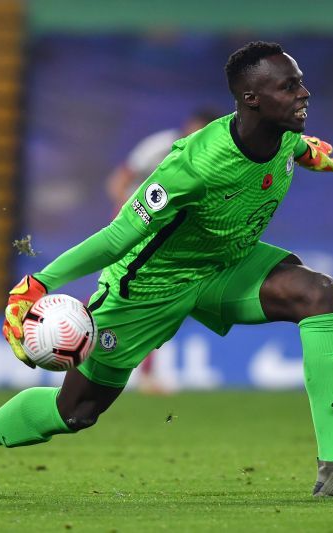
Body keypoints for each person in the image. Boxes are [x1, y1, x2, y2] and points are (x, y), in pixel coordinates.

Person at [0, 41, 333, 499]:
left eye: (300, 80)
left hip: (224, 266)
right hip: (149, 288)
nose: (303, 91)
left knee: (317, 293)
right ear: (251, 99)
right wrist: (38, 282)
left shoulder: (285, 134)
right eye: (288, 86)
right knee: (76, 413)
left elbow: (290, 149)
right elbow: (118, 238)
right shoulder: (194, 165)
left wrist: (308, 152)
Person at [104, 108, 221, 393]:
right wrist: (123, 222)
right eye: (194, 130)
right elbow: (119, 180)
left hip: (163, 234)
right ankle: (65, 333)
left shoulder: (210, 159)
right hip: (134, 225)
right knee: (121, 294)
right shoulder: (159, 147)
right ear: (187, 127)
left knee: (142, 297)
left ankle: (143, 371)